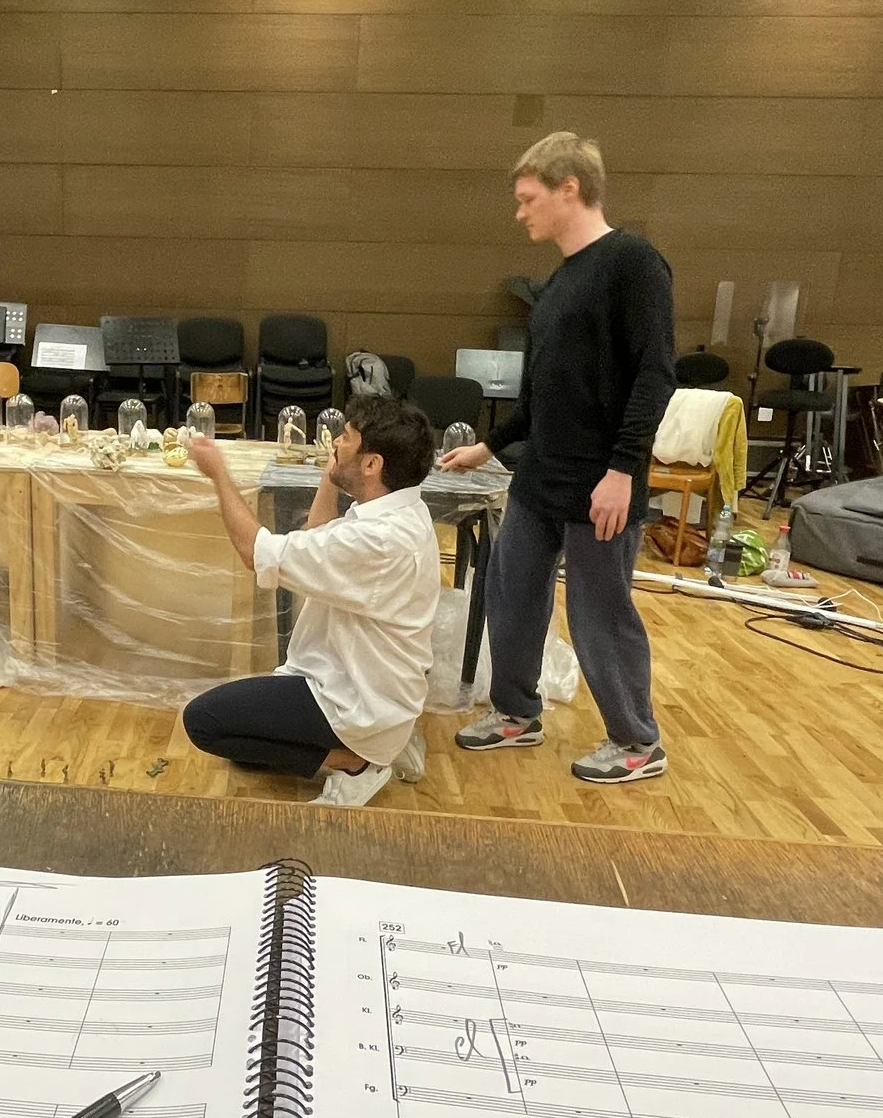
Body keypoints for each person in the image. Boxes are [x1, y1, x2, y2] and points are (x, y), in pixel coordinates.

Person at [440, 131, 676, 784]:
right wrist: (490, 445)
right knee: (510, 594)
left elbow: (655, 376)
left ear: (569, 187)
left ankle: (637, 741)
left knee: (600, 614)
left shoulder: (633, 262)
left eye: (527, 197)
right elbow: (544, 392)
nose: (520, 212)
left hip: (601, 482)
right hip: (539, 476)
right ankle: (516, 712)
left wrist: (624, 470)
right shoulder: (559, 282)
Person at [181, 393, 442, 808]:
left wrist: (219, 475)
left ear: (373, 464)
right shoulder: (400, 508)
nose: (336, 441)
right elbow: (317, 537)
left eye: (347, 438)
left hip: (361, 703)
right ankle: (372, 748)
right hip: (361, 683)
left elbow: (256, 552)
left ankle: (361, 761)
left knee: (204, 723)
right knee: (244, 753)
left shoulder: (378, 540)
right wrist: (333, 471)